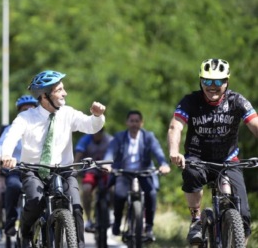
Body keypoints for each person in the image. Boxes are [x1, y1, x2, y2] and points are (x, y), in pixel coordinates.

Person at [0, 70, 106, 248]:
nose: (65, 93)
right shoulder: (26, 118)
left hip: (64, 169)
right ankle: (24, 232)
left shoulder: (68, 113)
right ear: (44, 96)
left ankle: (78, 245)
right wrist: (7, 155)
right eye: (60, 90)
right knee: (35, 201)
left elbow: (90, 126)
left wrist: (97, 116)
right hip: (33, 170)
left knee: (77, 207)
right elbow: (11, 137)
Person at [167, 58, 258, 245]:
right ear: (200, 81)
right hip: (197, 158)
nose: (212, 86)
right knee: (191, 173)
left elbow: (255, 125)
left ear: (227, 82)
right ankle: (195, 220)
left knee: (244, 217)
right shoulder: (190, 101)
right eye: (207, 81)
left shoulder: (237, 101)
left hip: (228, 159)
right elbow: (175, 127)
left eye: (218, 81)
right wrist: (174, 151)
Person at [105, 110, 170, 241]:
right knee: (119, 195)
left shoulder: (148, 137)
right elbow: (110, 151)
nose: (134, 124)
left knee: (151, 194)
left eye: (137, 121)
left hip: (144, 172)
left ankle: (149, 228)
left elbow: (158, 152)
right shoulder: (119, 137)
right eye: (131, 121)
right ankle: (117, 222)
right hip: (124, 172)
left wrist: (163, 164)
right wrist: (107, 164)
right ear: (127, 122)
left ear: (141, 123)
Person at [0, 95, 39, 242]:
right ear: (19, 112)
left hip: (38, 169)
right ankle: (10, 221)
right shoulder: (12, 128)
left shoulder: (43, 126)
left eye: (31, 108)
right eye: (25, 110)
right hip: (16, 169)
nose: (28, 112)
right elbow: (0, 146)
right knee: (13, 185)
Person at [74, 128, 113, 233]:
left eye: (99, 132)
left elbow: (117, 153)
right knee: (86, 190)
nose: (96, 134)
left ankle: (110, 212)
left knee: (114, 188)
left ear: (102, 132)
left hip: (106, 170)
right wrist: (73, 169)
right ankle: (89, 219)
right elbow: (79, 154)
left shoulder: (110, 140)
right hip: (90, 171)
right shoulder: (85, 140)